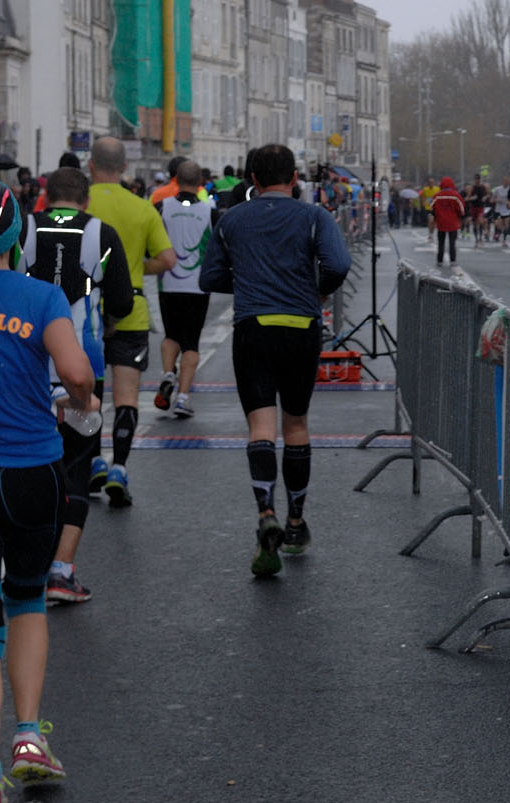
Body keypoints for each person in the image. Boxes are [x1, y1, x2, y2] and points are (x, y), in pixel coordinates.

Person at [0, 178, 97, 803]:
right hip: (33, 471)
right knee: (28, 602)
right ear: (18, 235)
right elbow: (75, 374)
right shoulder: (42, 297)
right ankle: (28, 738)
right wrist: (82, 400)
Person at [199, 144, 352, 576]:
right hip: (301, 327)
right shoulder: (314, 216)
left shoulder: (232, 220)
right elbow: (339, 263)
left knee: (260, 427)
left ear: (252, 179)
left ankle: (265, 511)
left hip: (253, 328)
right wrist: (316, 289)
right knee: (297, 424)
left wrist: (249, 278)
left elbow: (208, 277)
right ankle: (296, 522)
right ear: (294, 178)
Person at [19, 167, 132, 607]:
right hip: (84, 366)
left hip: (27, 364)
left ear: (46, 197)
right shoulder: (102, 234)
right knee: (78, 465)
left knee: (28, 459)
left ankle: (26, 563)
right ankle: (62, 571)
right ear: (85, 201)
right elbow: (122, 300)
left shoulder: (24, 230)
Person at [84, 136, 175, 509]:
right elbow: (168, 260)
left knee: (85, 395)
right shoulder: (142, 208)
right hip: (131, 310)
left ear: (90, 165)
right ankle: (119, 467)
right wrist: (137, 268)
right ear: (125, 168)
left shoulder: (81, 205)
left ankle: (92, 462)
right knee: (126, 397)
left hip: (85, 313)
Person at [152, 161, 214, 419]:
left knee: (171, 334)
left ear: (176, 179)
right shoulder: (211, 211)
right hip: (197, 285)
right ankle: (184, 397)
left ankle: (168, 373)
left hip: (168, 283)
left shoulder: (161, 207)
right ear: (200, 182)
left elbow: (151, 241)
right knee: (191, 342)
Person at [431, 176, 464, 265]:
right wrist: (460, 217)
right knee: (452, 243)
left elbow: (432, 207)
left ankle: (439, 260)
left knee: (441, 243)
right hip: (453, 222)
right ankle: (452, 260)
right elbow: (461, 209)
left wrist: (436, 216)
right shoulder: (456, 196)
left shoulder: (437, 196)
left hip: (441, 222)